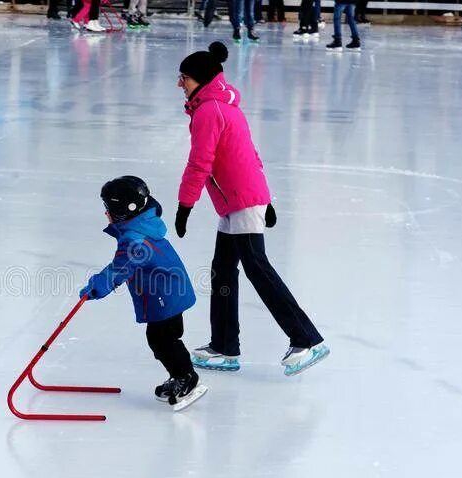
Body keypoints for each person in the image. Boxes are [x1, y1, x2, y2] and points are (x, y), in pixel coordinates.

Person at [174, 42, 330, 376]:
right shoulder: (221, 106)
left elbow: (200, 162)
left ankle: (307, 339)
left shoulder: (209, 111)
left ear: (200, 80)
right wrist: (267, 198)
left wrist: (185, 205)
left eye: (184, 78)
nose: (179, 84)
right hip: (237, 201)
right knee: (223, 271)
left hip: (240, 200)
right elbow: (249, 153)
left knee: (257, 268)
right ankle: (224, 347)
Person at [79, 176, 206, 410]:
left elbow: (120, 268)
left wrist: (98, 285)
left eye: (108, 208)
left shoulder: (135, 240)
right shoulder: (141, 226)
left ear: (122, 210)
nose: (105, 213)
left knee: (163, 339)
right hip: (166, 292)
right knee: (162, 338)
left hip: (165, 295)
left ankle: (187, 378)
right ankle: (179, 374)